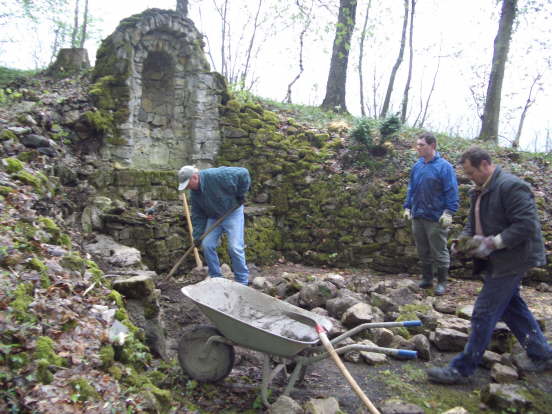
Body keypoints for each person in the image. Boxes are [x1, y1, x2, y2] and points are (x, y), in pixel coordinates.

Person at [427, 147, 551, 384]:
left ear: (485, 164)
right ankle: (542, 353)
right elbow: (472, 225)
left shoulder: (511, 186)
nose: (470, 177)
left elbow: (526, 225)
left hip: (513, 259)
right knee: (512, 306)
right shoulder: (478, 191)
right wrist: (461, 243)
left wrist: (493, 243)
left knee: (484, 311)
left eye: (472, 172)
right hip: (496, 259)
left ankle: (462, 369)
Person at [403, 132, 459, 296]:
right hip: (418, 215)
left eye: (422, 145)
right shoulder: (417, 166)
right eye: (417, 144)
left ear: (432, 146)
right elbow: (411, 188)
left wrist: (449, 212)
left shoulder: (444, 167)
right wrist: (407, 207)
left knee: (439, 251)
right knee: (423, 250)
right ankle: (427, 278)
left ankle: (442, 282)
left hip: (436, 217)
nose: (418, 148)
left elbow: (451, 191)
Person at [178, 165, 251, 285]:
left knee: (234, 247)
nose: (187, 188)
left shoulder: (218, 175)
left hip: (232, 211)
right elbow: (198, 216)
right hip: (213, 217)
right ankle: (216, 276)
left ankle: (242, 281)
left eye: (188, 184)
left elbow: (243, 173)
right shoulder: (195, 194)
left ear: (195, 177)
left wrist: (240, 194)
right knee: (207, 245)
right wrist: (197, 236)